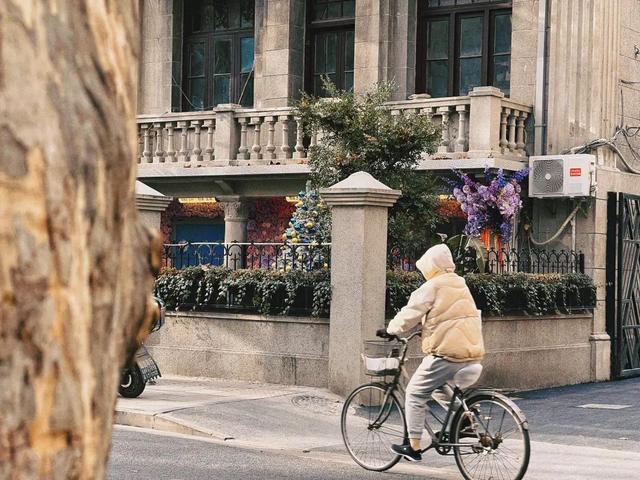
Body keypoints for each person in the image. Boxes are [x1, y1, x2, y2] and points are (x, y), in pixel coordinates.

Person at [378, 244, 485, 462]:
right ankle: (466, 418)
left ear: (431, 265)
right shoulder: (459, 282)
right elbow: (451, 314)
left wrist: (391, 330)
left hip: (446, 352)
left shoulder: (433, 286)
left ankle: (413, 446)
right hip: (471, 351)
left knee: (415, 393)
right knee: (437, 387)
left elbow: (411, 313)